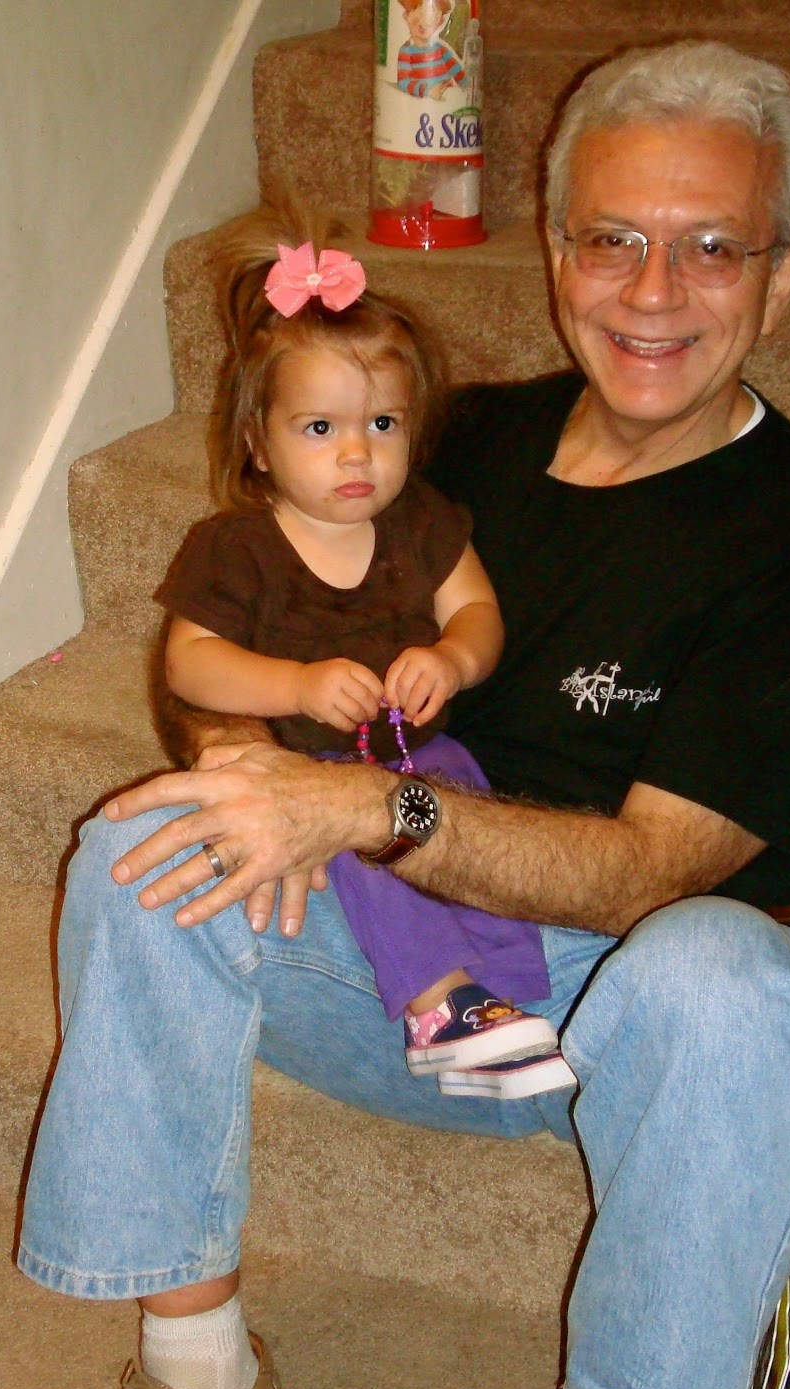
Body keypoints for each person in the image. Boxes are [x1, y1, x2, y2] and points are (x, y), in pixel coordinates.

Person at [0, 38, 790, 1389]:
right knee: (144, 848)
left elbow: (651, 877)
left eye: (709, 246)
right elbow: (241, 629)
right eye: (610, 238)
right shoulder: (446, 438)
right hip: (396, 978)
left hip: (621, 1035)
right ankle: (201, 1380)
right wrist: (238, 758)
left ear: (785, 275)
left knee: (721, 976)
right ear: (551, 249)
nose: (652, 292)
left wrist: (363, 804)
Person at [157, 204, 565, 1095]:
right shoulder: (235, 546)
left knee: (475, 824)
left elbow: (478, 612)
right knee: (373, 837)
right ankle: (437, 1004)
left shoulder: (421, 521)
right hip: (312, 774)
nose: (357, 453)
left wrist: (453, 659)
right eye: (320, 429)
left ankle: (502, 998)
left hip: (424, 753)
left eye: (383, 424)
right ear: (257, 443)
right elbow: (190, 662)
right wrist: (295, 685)